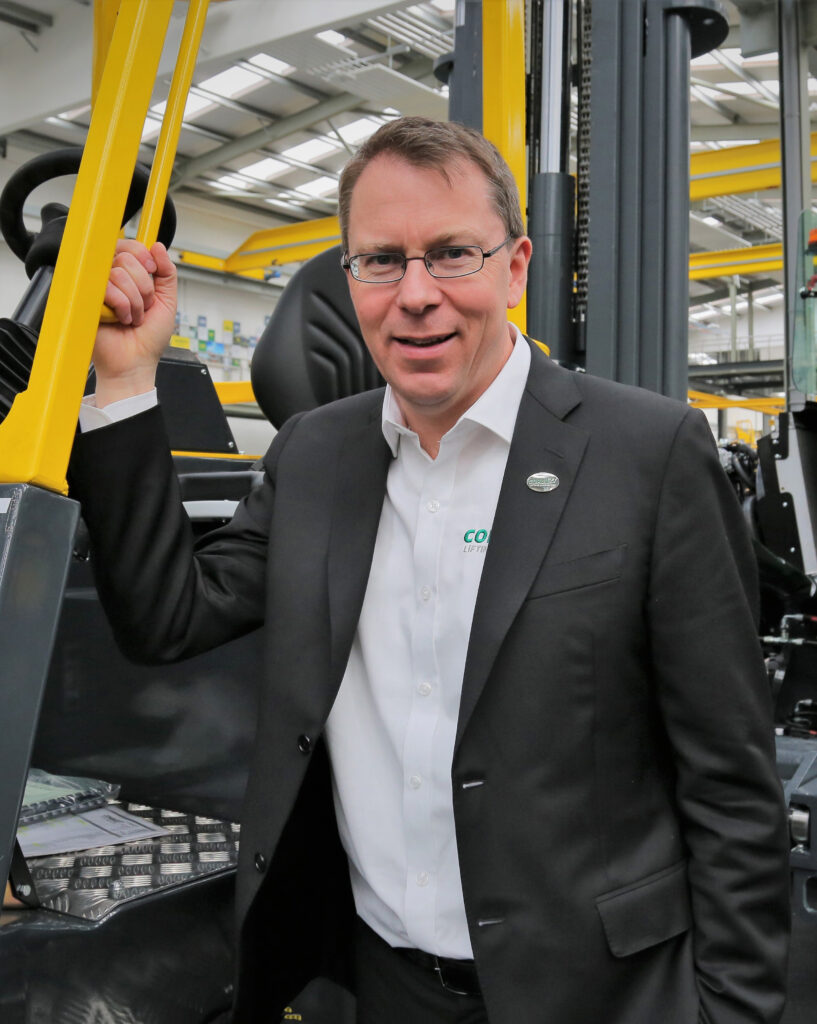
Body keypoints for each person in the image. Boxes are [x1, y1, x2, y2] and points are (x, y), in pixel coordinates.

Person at [69, 117, 790, 1024]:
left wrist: (731, 1010)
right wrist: (128, 381)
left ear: (515, 266)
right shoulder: (315, 455)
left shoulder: (647, 454)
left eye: (451, 254)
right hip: (385, 984)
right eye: (380, 260)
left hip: (603, 991)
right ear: (350, 276)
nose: (415, 294)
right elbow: (166, 617)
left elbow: (728, 777)